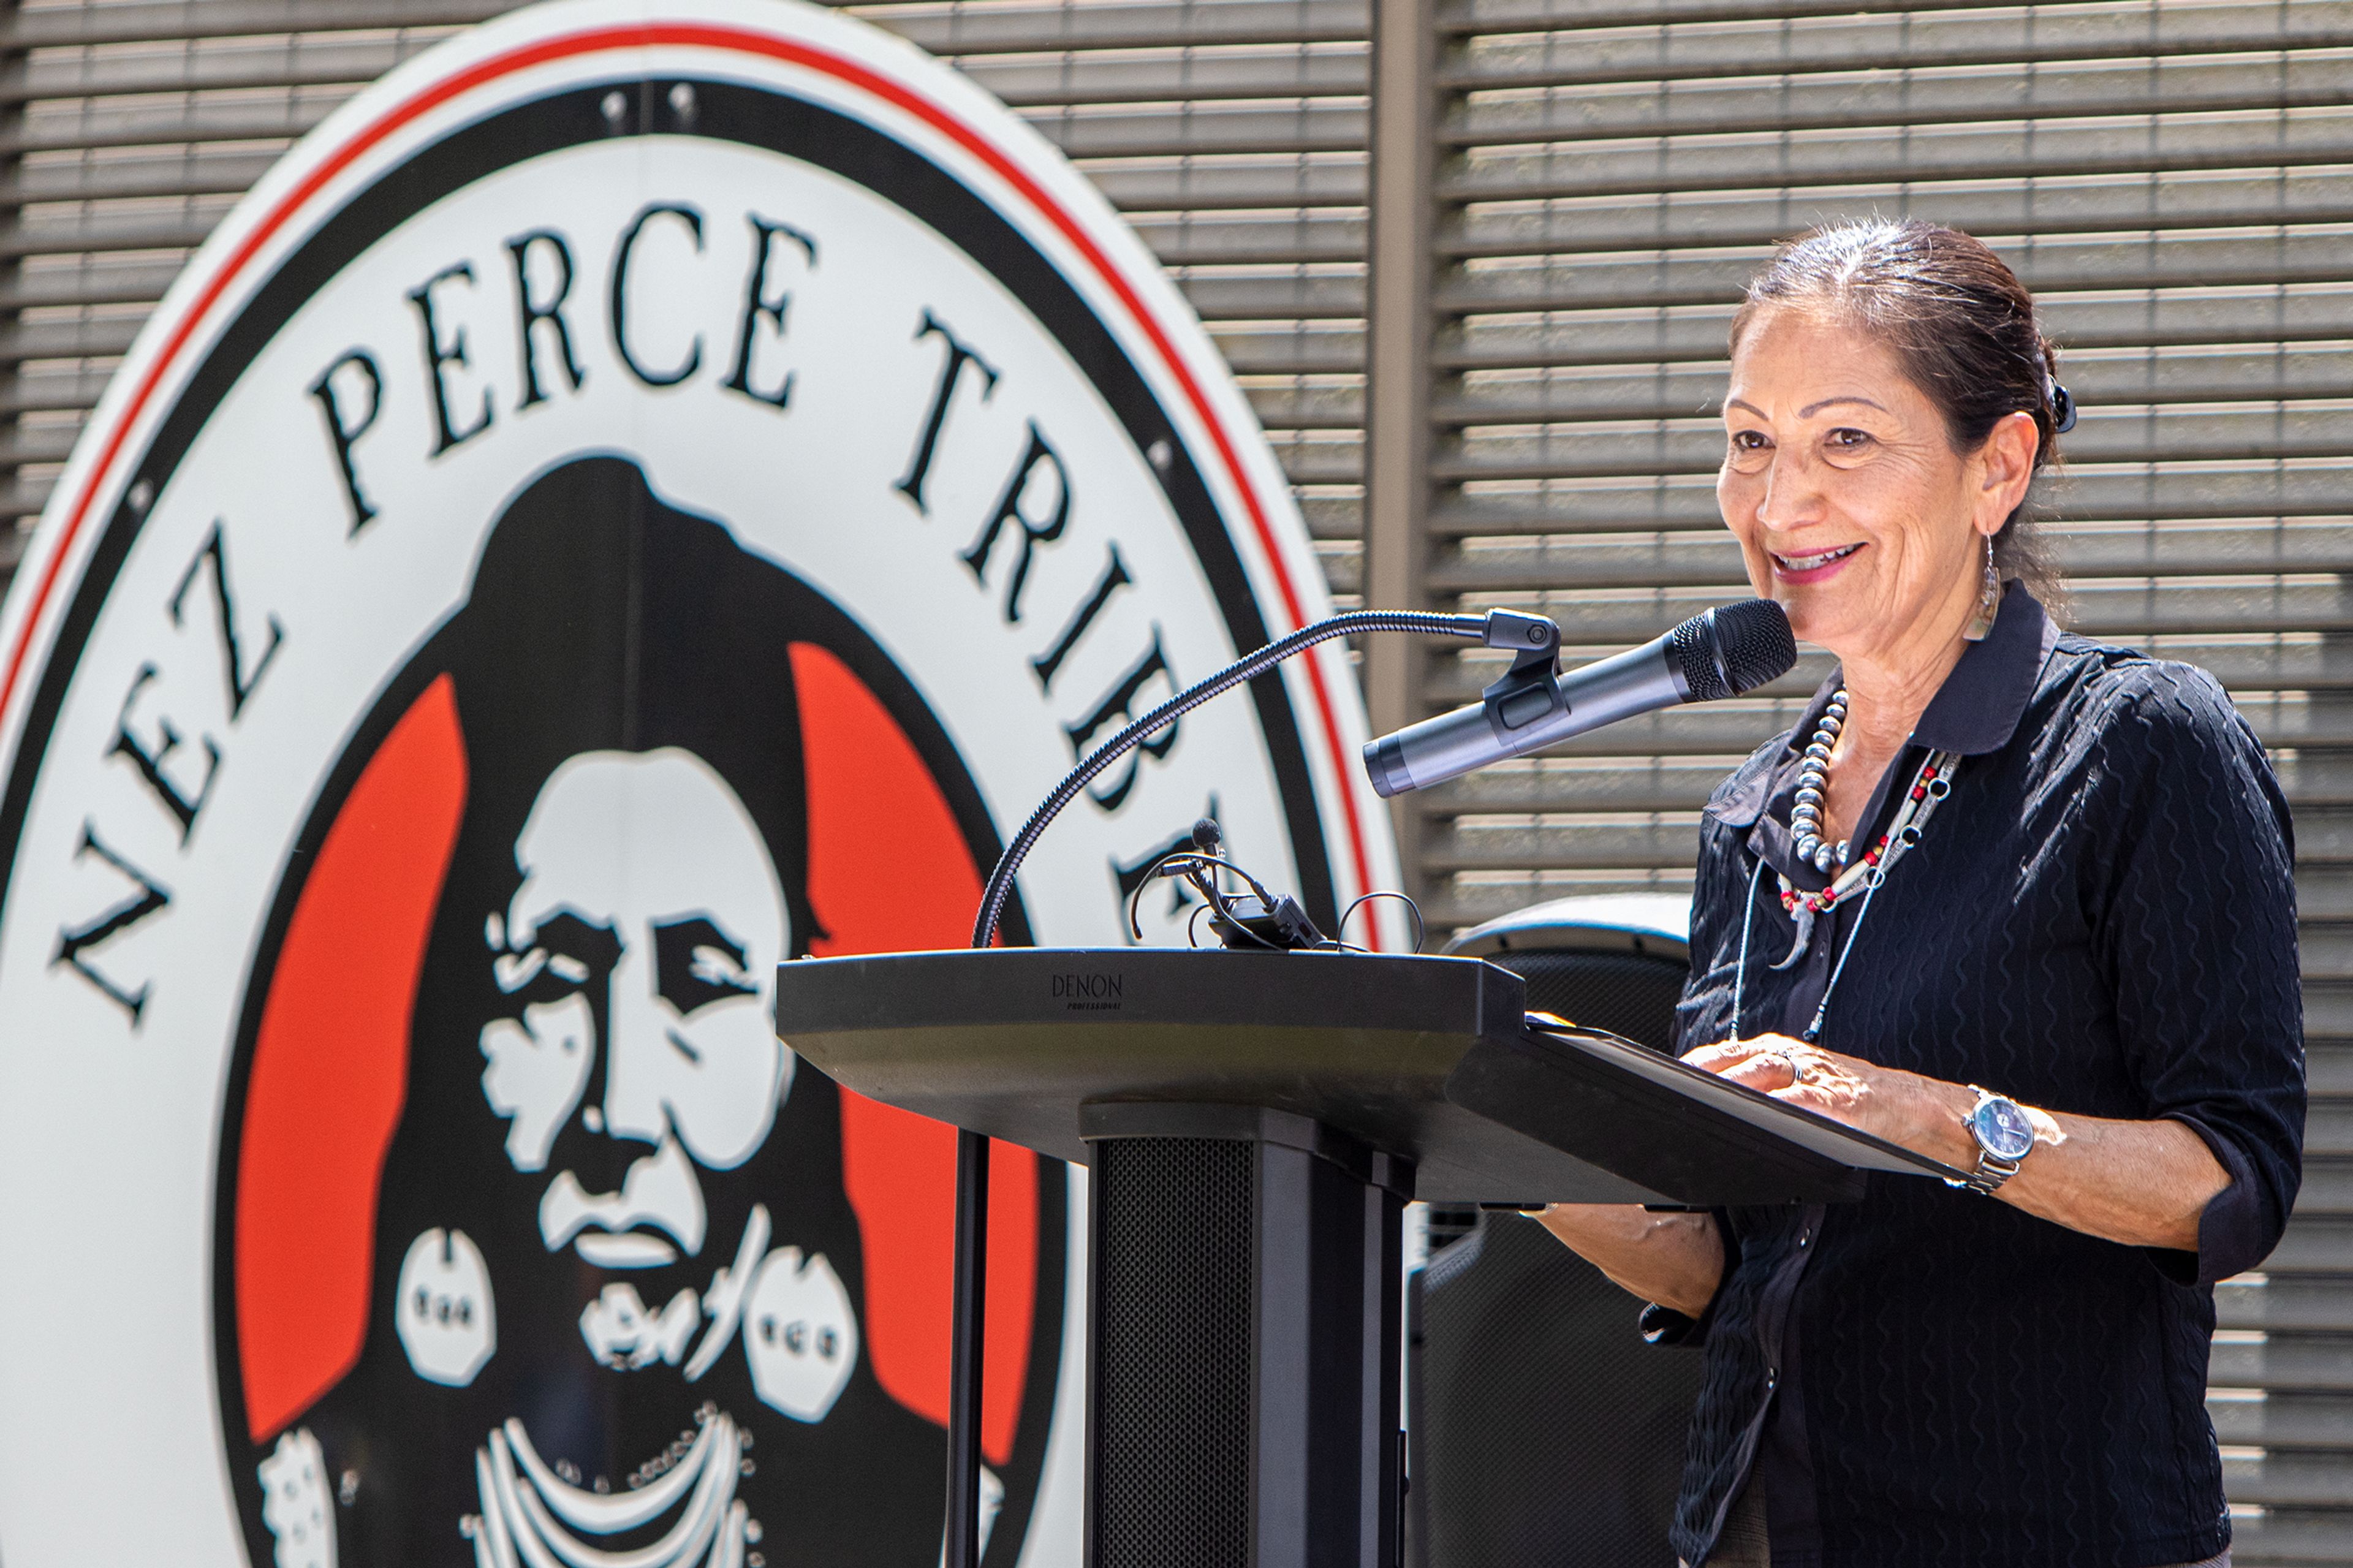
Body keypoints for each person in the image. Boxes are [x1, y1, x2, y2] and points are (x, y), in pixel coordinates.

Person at [1537, 220, 2303, 1568]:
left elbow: (2230, 1180)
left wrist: (1923, 1115)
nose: (1778, 504)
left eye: (1845, 441)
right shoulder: (1751, 812)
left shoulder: (2142, 746)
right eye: (1748, 440)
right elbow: (1736, 1264)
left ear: (1996, 468)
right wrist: (1502, 1129)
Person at [244, 458, 973, 1568]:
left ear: (797, 1056)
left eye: (699, 983)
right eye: (551, 981)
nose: (618, 1109)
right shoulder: (305, 1517)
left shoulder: (957, 1518)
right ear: (463, 1028)